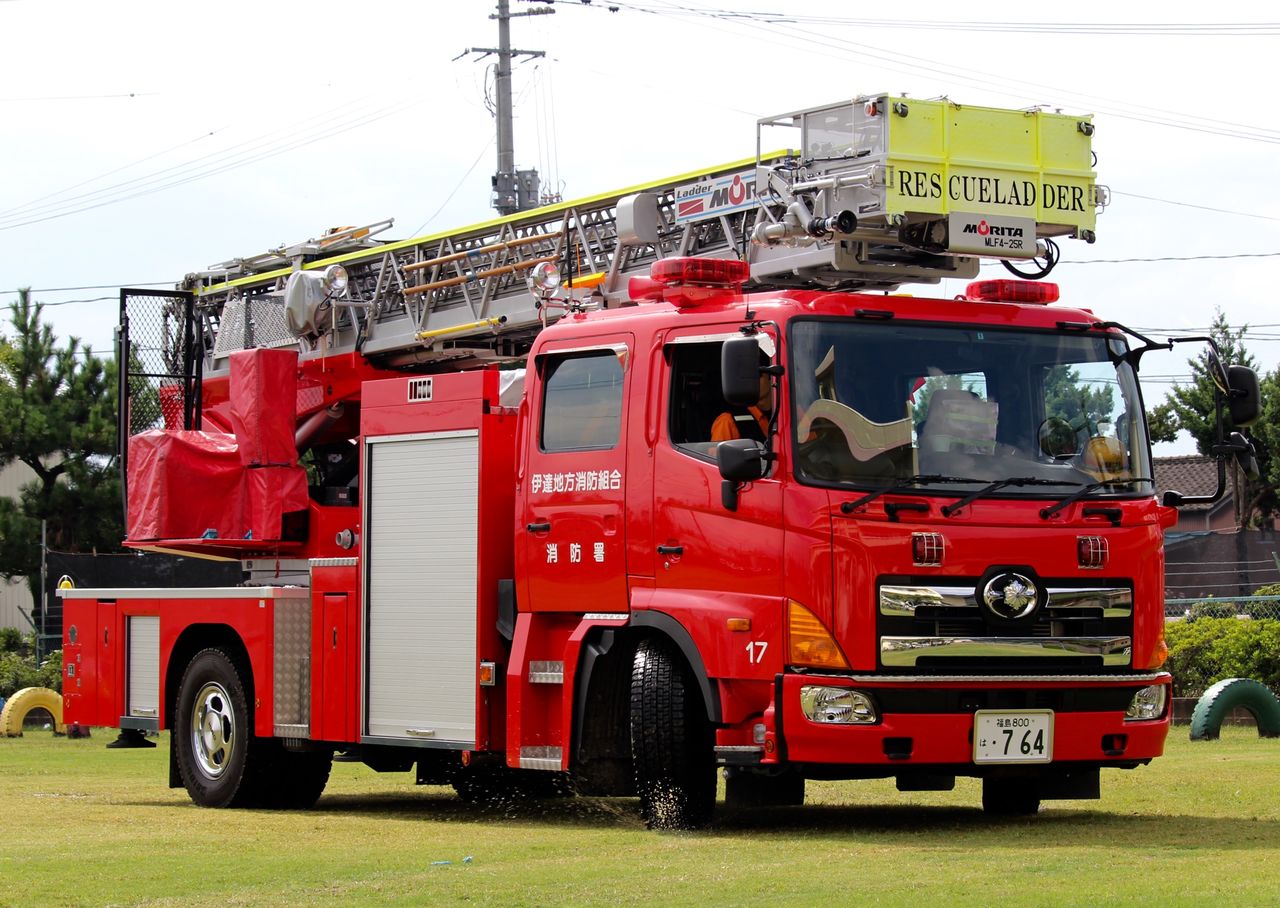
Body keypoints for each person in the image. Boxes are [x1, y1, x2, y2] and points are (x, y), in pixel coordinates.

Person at [711, 371, 771, 442]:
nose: (753, 382)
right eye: (748, 379)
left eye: (758, 376)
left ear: (772, 378)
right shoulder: (727, 421)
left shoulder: (784, 416)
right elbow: (718, 453)